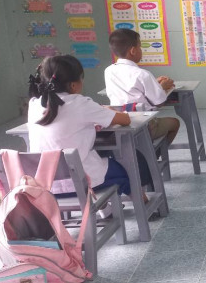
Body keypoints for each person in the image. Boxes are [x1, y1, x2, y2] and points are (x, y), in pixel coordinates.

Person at [28, 55, 134, 196]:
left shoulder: (34, 104)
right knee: (121, 171)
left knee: (95, 160)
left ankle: (103, 207)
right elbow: (125, 120)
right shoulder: (80, 103)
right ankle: (141, 203)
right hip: (79, 183)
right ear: (73, 85)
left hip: (45, 187)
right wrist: (108, 110)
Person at [104, 29, 181, 144]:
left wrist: (154, 82)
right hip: (144, 126)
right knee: (175, 123)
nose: (141, 51)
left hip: (119, 125)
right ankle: (156, 154)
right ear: (133, 51)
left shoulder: (109, 71)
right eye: (140, 47)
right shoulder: (143, 74)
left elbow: (130, 85)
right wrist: (162, 87)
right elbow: (159, 102)